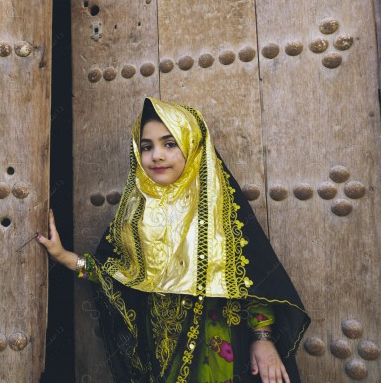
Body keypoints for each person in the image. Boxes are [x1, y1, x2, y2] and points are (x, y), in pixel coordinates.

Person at [38, 97, 310, 383]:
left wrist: (263, 339)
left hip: (218, 351)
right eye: (147, 146)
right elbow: (117, 274)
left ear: (192, 146)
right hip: (160, 354)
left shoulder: (220, 206)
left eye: (170, 144)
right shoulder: (134, 212)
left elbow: (252, 278)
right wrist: (66, 257)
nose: (156, 155)